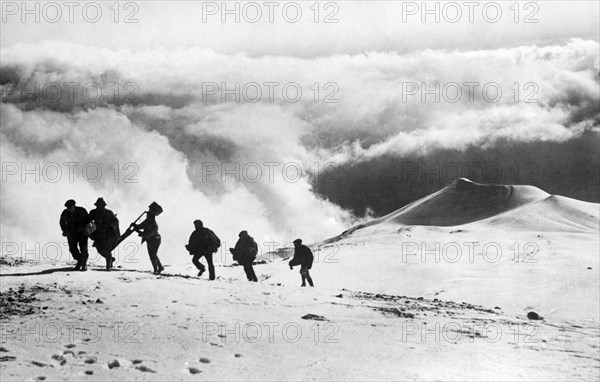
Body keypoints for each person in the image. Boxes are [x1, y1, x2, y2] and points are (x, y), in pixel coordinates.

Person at [131, 202, 164, 275]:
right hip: (150, 240)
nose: (147, 214)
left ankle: (156, 270)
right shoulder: (148, 221)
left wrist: (137, 231)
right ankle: (160, 267)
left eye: (149, 214)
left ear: (152, 216)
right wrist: (135, 225)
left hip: (155, 240)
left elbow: (147, 235)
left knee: (153, 255)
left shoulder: (154, 225)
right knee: (153, 254)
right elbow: (141, 225)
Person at [88, 198, 120, 270]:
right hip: (98, 234)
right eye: (99, 204)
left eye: (102, 205)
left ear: (104, 205)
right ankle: (110, 259)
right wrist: (90, 232)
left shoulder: (109, 213)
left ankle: (108, 266)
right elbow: (88, 221)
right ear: (96, 205)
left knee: (107, 250)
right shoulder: (93, 212)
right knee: (99, 249)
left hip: (108, 234)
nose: (100, 206)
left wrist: (117, 234)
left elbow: (116, 222)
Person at [59, 199, 89, 271]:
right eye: (68, 208)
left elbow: (88, 220)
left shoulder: (82, 211)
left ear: (74, 206)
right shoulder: (65, 213)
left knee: (83, 249)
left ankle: (83, 264)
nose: (70, 209)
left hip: (82, 234)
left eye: (71, 207)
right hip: (72, 234)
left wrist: (84, 228)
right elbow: (62, 223)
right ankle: (80, 261)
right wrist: (65, 231)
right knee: (73, 250)